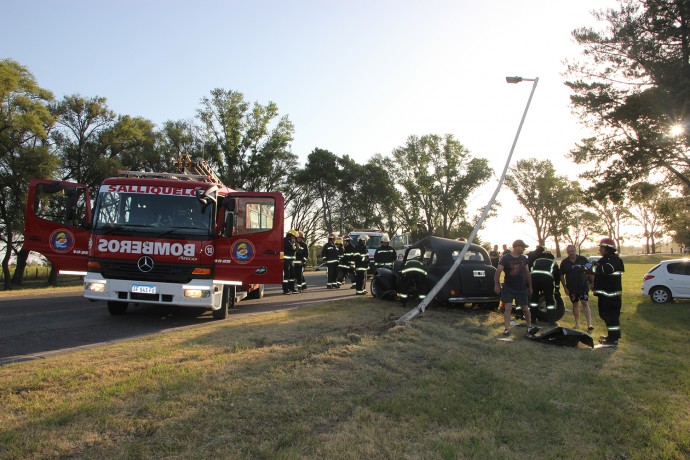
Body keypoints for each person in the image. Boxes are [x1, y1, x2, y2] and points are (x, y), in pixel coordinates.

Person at [494, 239, 538, 337]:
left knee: (525, 308)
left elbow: (527, 273)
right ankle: (506, 329)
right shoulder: (505, 258)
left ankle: (529, 327)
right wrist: (496, 285)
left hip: (522, 288)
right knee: (508, 307)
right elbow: (498, 272)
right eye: (523, 247)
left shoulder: (524, 258)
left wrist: (530, 286)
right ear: (517, 246)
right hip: (509, 287)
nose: (524, 249)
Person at [591, 238, 625, 346]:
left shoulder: (614, 259)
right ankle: (611, 336)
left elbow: (606, 269)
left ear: (607, 249)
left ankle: (613, 339)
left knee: (612, 316)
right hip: (605, 294)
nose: (600, 249)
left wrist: (594, 266)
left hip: (612, 295)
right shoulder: (606, 259)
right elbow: (596, 269)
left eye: (601, 247)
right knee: (605, 315)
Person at [559, 245, 593, 330]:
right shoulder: (564, 262)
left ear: (575, 250)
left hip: (583, 286)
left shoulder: (583, 259)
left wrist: (592, 282)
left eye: (572, 251)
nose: (571, 253)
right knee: (575, 304)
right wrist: (565, 287)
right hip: (571, 287)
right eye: (569, 252)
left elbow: (590, 270)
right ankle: (577, 323)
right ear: (567, 252)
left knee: (585, 302)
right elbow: (561, 275)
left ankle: (589, 324)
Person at [528, 248, 560, 322]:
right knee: (549, 301)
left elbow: (530, 270)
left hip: (534, 279)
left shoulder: (536, 261)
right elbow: (557, 277)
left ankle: (533, 319)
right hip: (547, 280)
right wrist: (557, 289)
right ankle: (551, 321)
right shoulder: (553, 262)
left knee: (533, 301)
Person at [282, 229, 299, 294]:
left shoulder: (292, 241)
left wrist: (296, 246)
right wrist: (296, 246)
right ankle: (285, 290)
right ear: (290, 235)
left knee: (292, 275)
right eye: (293, 236)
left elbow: (297, 248)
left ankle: (292, 288)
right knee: (287, 275)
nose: (294, 237)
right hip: (286, 260)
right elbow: (293, 248)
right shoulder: (286, 240)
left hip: (292, 260)